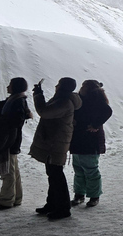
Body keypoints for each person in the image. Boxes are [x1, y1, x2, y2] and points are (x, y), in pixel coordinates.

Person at [30, 77, 82, 220]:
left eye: (59, 84)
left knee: (56, 175)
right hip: (54, 141)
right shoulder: (62, 99)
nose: (56, 86)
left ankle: (63, 208)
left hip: (56, 142)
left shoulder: (64, 102)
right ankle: (52, 204)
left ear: (63, 87)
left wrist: (38, 95)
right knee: (53, 174)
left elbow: (44, 112)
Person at [0, 77, 33, 210]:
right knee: (13, 170)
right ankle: (16, 198)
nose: (7, 87)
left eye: (10, 85)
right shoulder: (15, 100)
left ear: (15, 87)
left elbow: (15, 121)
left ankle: (6, 200)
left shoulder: (17, 102)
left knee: (7, 171)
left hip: (9, 141)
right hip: (12, 140)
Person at [69, 80, 113, 208]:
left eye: (83, 86)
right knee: (78, 169)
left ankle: (94, 196)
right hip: (78, 140)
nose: (81, 88)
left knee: (90, 170)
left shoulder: (96, 101)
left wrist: (95, 125)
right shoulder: (80, 100)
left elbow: (107, 111)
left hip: (90, 141)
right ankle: (79, 194)